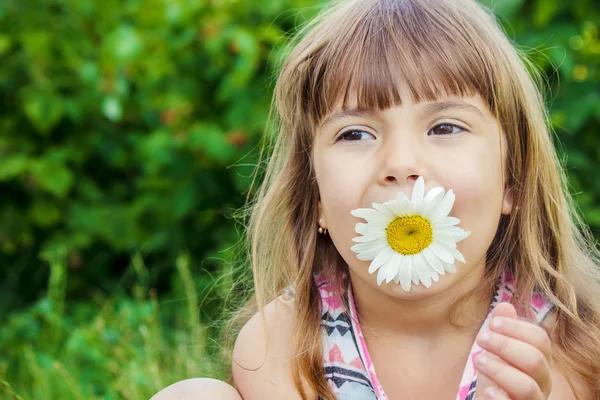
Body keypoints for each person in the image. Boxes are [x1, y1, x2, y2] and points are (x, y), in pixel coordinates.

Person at [153, 0, 600, 398]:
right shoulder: (280, 346)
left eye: (445, 127)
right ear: (316, 201)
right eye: (355, 133)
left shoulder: (570, 348)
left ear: (513, 182)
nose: (401, 162)